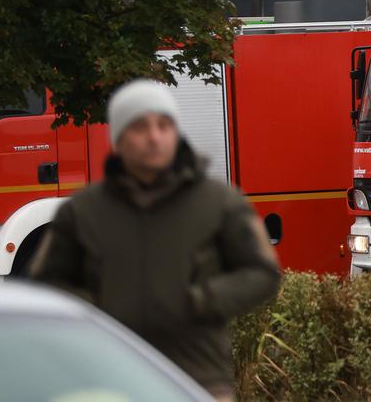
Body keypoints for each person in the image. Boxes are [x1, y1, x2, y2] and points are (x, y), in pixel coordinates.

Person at [32, 79, 281, 401]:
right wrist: (98, 312)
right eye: (140, 127)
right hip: (109, 381)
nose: (154, 137)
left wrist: (203, 300)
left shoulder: (220, 202)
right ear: (118, 139)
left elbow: (262, 273)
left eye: (164, 126)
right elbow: (45, 285)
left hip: (197, 381)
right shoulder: (82, 212)